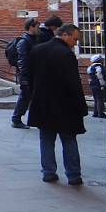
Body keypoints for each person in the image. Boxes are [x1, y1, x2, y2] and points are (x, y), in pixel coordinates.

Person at [25, 24, 88, 185]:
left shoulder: (37, 50)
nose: (75, 43)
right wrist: (81, 106)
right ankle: (73, 175)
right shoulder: (66, 54)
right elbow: (73, 83)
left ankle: (48, 172)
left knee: (46, 140)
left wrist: (34, 96)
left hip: (42, 104)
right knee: (69, 140)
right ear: (65, 35)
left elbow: (28, 76)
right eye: (75, 39)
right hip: (65, 106)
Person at [11, 18, 39, 129]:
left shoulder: (33, 39)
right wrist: (24, 78)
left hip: (32, 73)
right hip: (27, 75)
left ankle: (18, 119)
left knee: (27, 97)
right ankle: (16, 119)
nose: (38, 29)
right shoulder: (24, 41)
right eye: (37, 27)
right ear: (31, 27)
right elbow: (22, 61)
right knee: (25, 97)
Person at [88, 54, 106, 118]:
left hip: (93, 86)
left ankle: (95, 113)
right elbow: (101, 78)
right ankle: (100, 113)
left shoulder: (90, 68)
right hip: (99, 86)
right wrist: (103, 85)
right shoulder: (99, 68)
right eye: (101, 59)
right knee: (100, 99)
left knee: (96, 99)